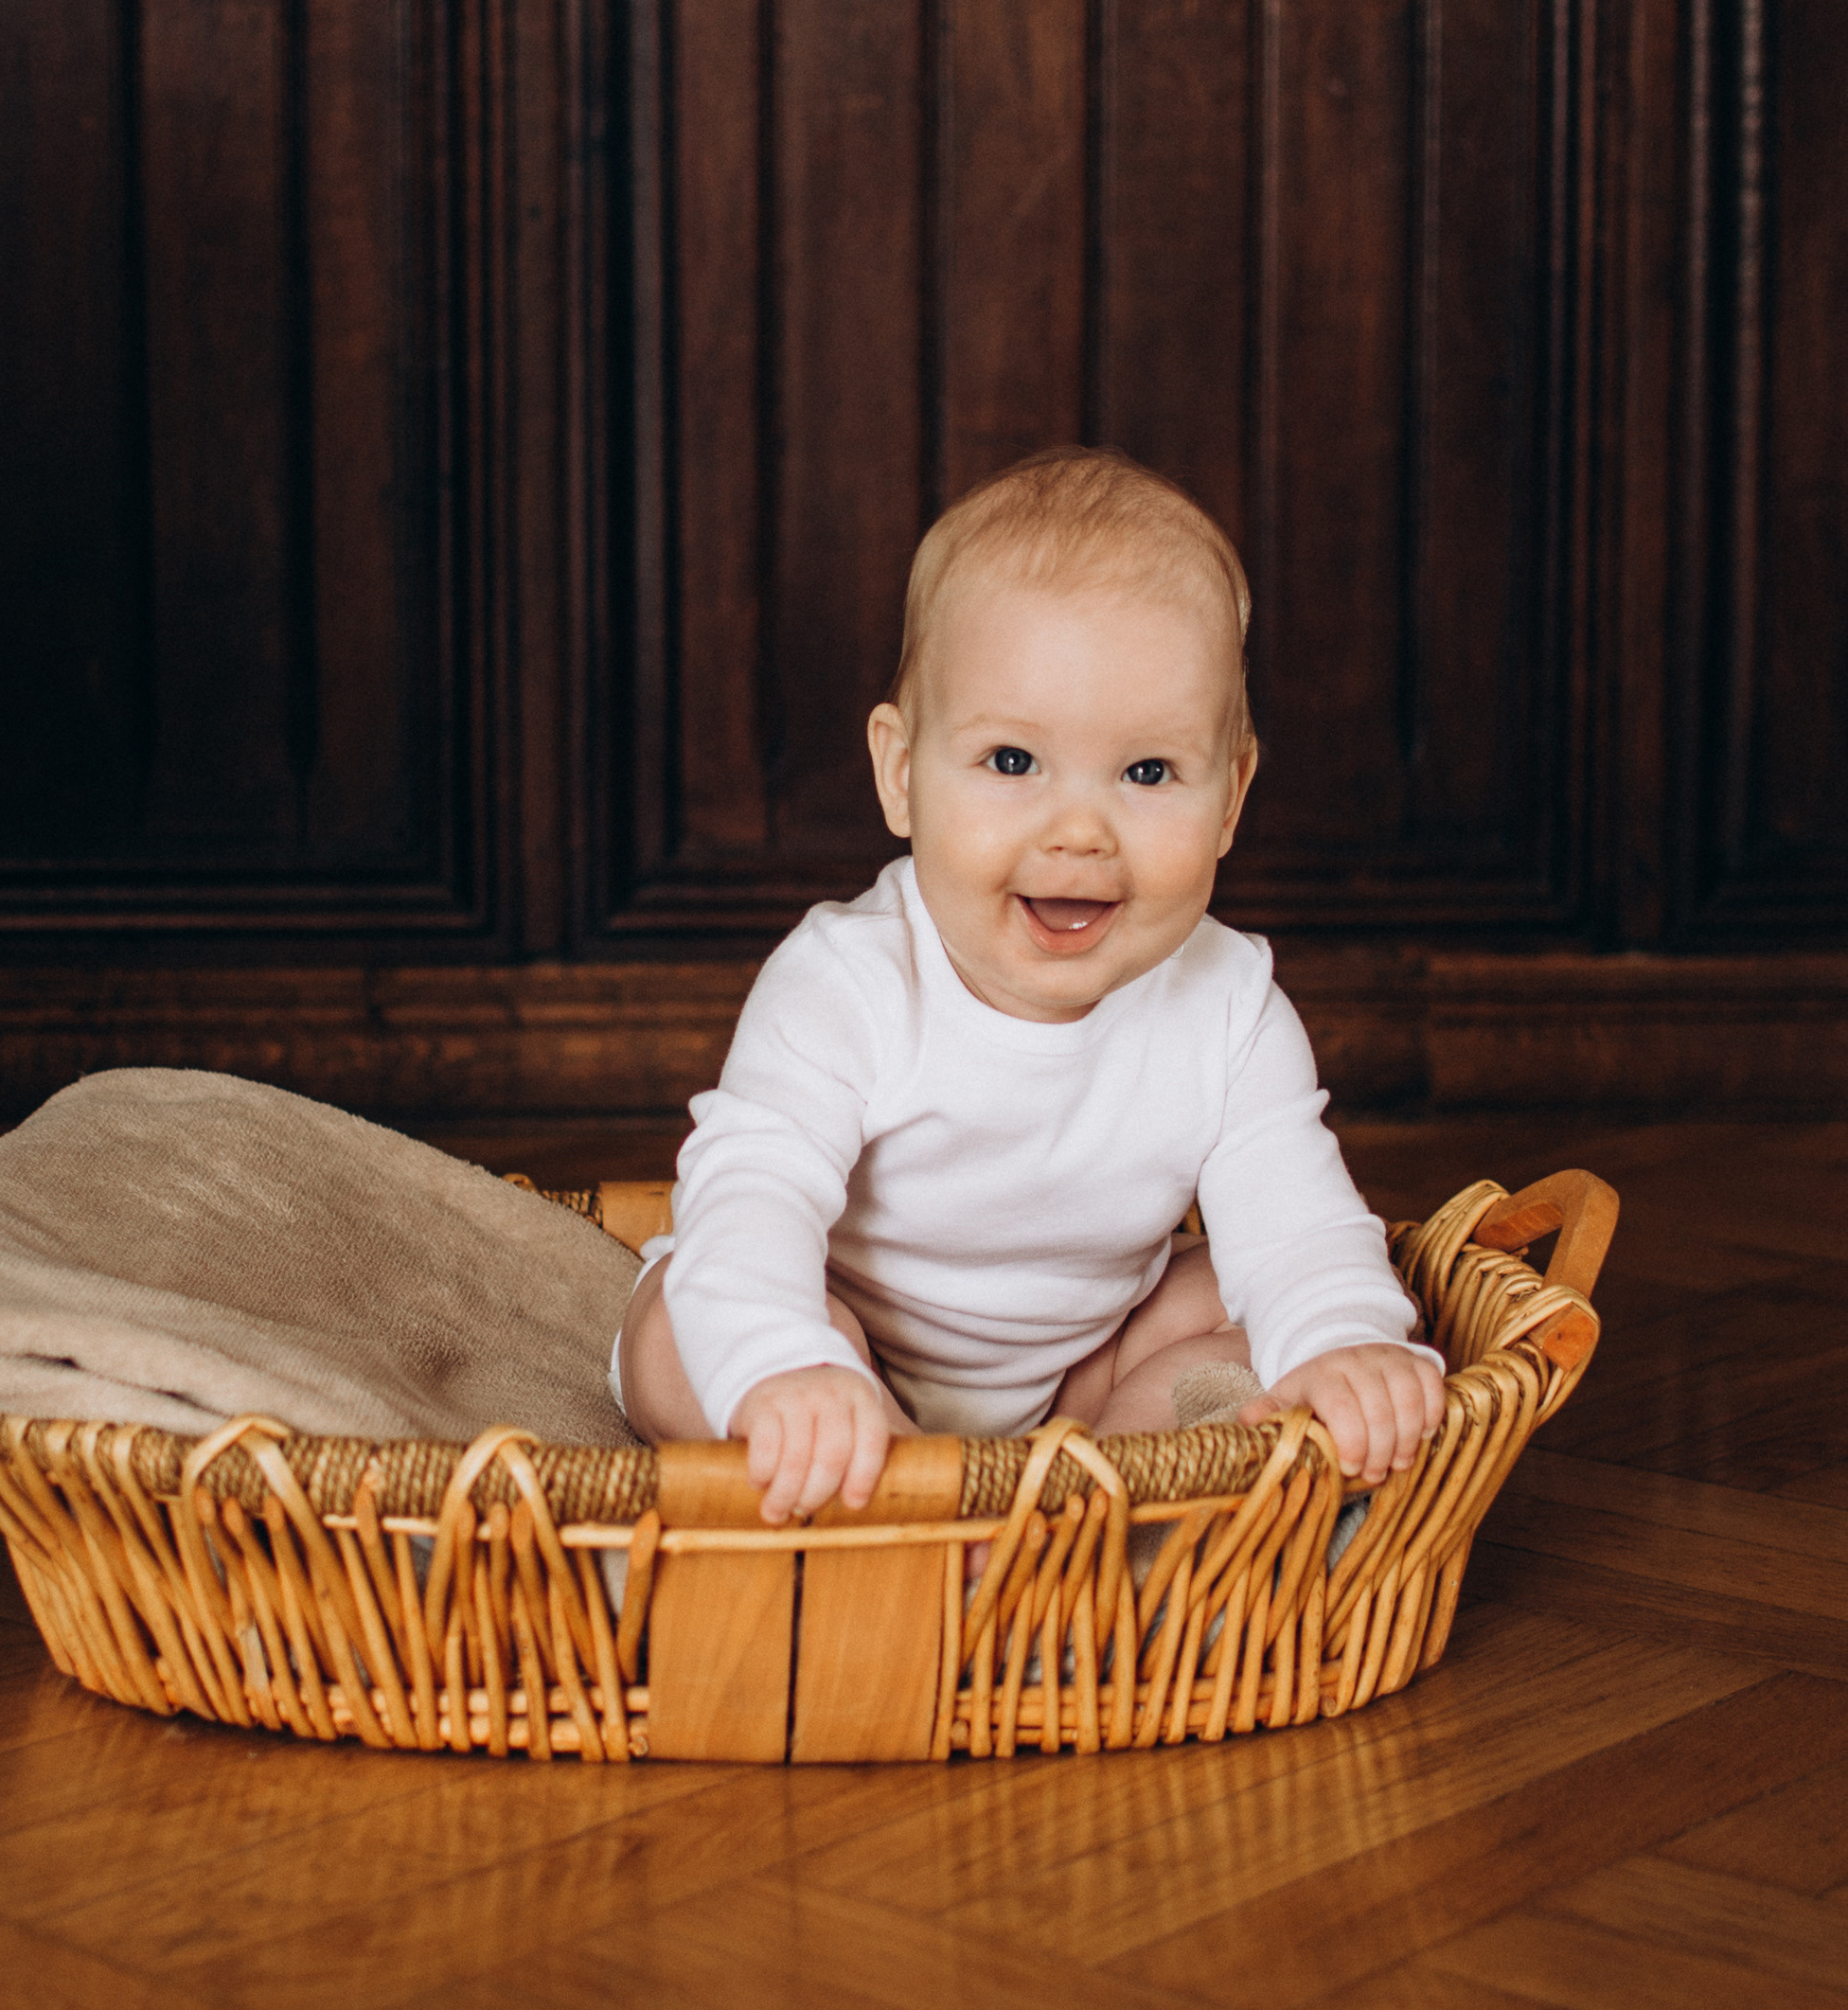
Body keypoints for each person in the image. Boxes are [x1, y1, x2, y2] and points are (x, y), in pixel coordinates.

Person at [615, 446, 1447, 1525]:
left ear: (1231, 795)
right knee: (683, 1321)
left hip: (1069, 1380)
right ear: (899, 771)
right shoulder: (847, 980)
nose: (1078, 832)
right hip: (833, 1338)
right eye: (1011, 760)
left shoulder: (1230, 1004)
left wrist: (1341, 1337)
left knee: (1249, 1295)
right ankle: (893, 1485)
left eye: (1146, 772)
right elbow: (753, 1192)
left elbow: (1291, 1220)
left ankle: (1090, 1500)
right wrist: (784, 1362)